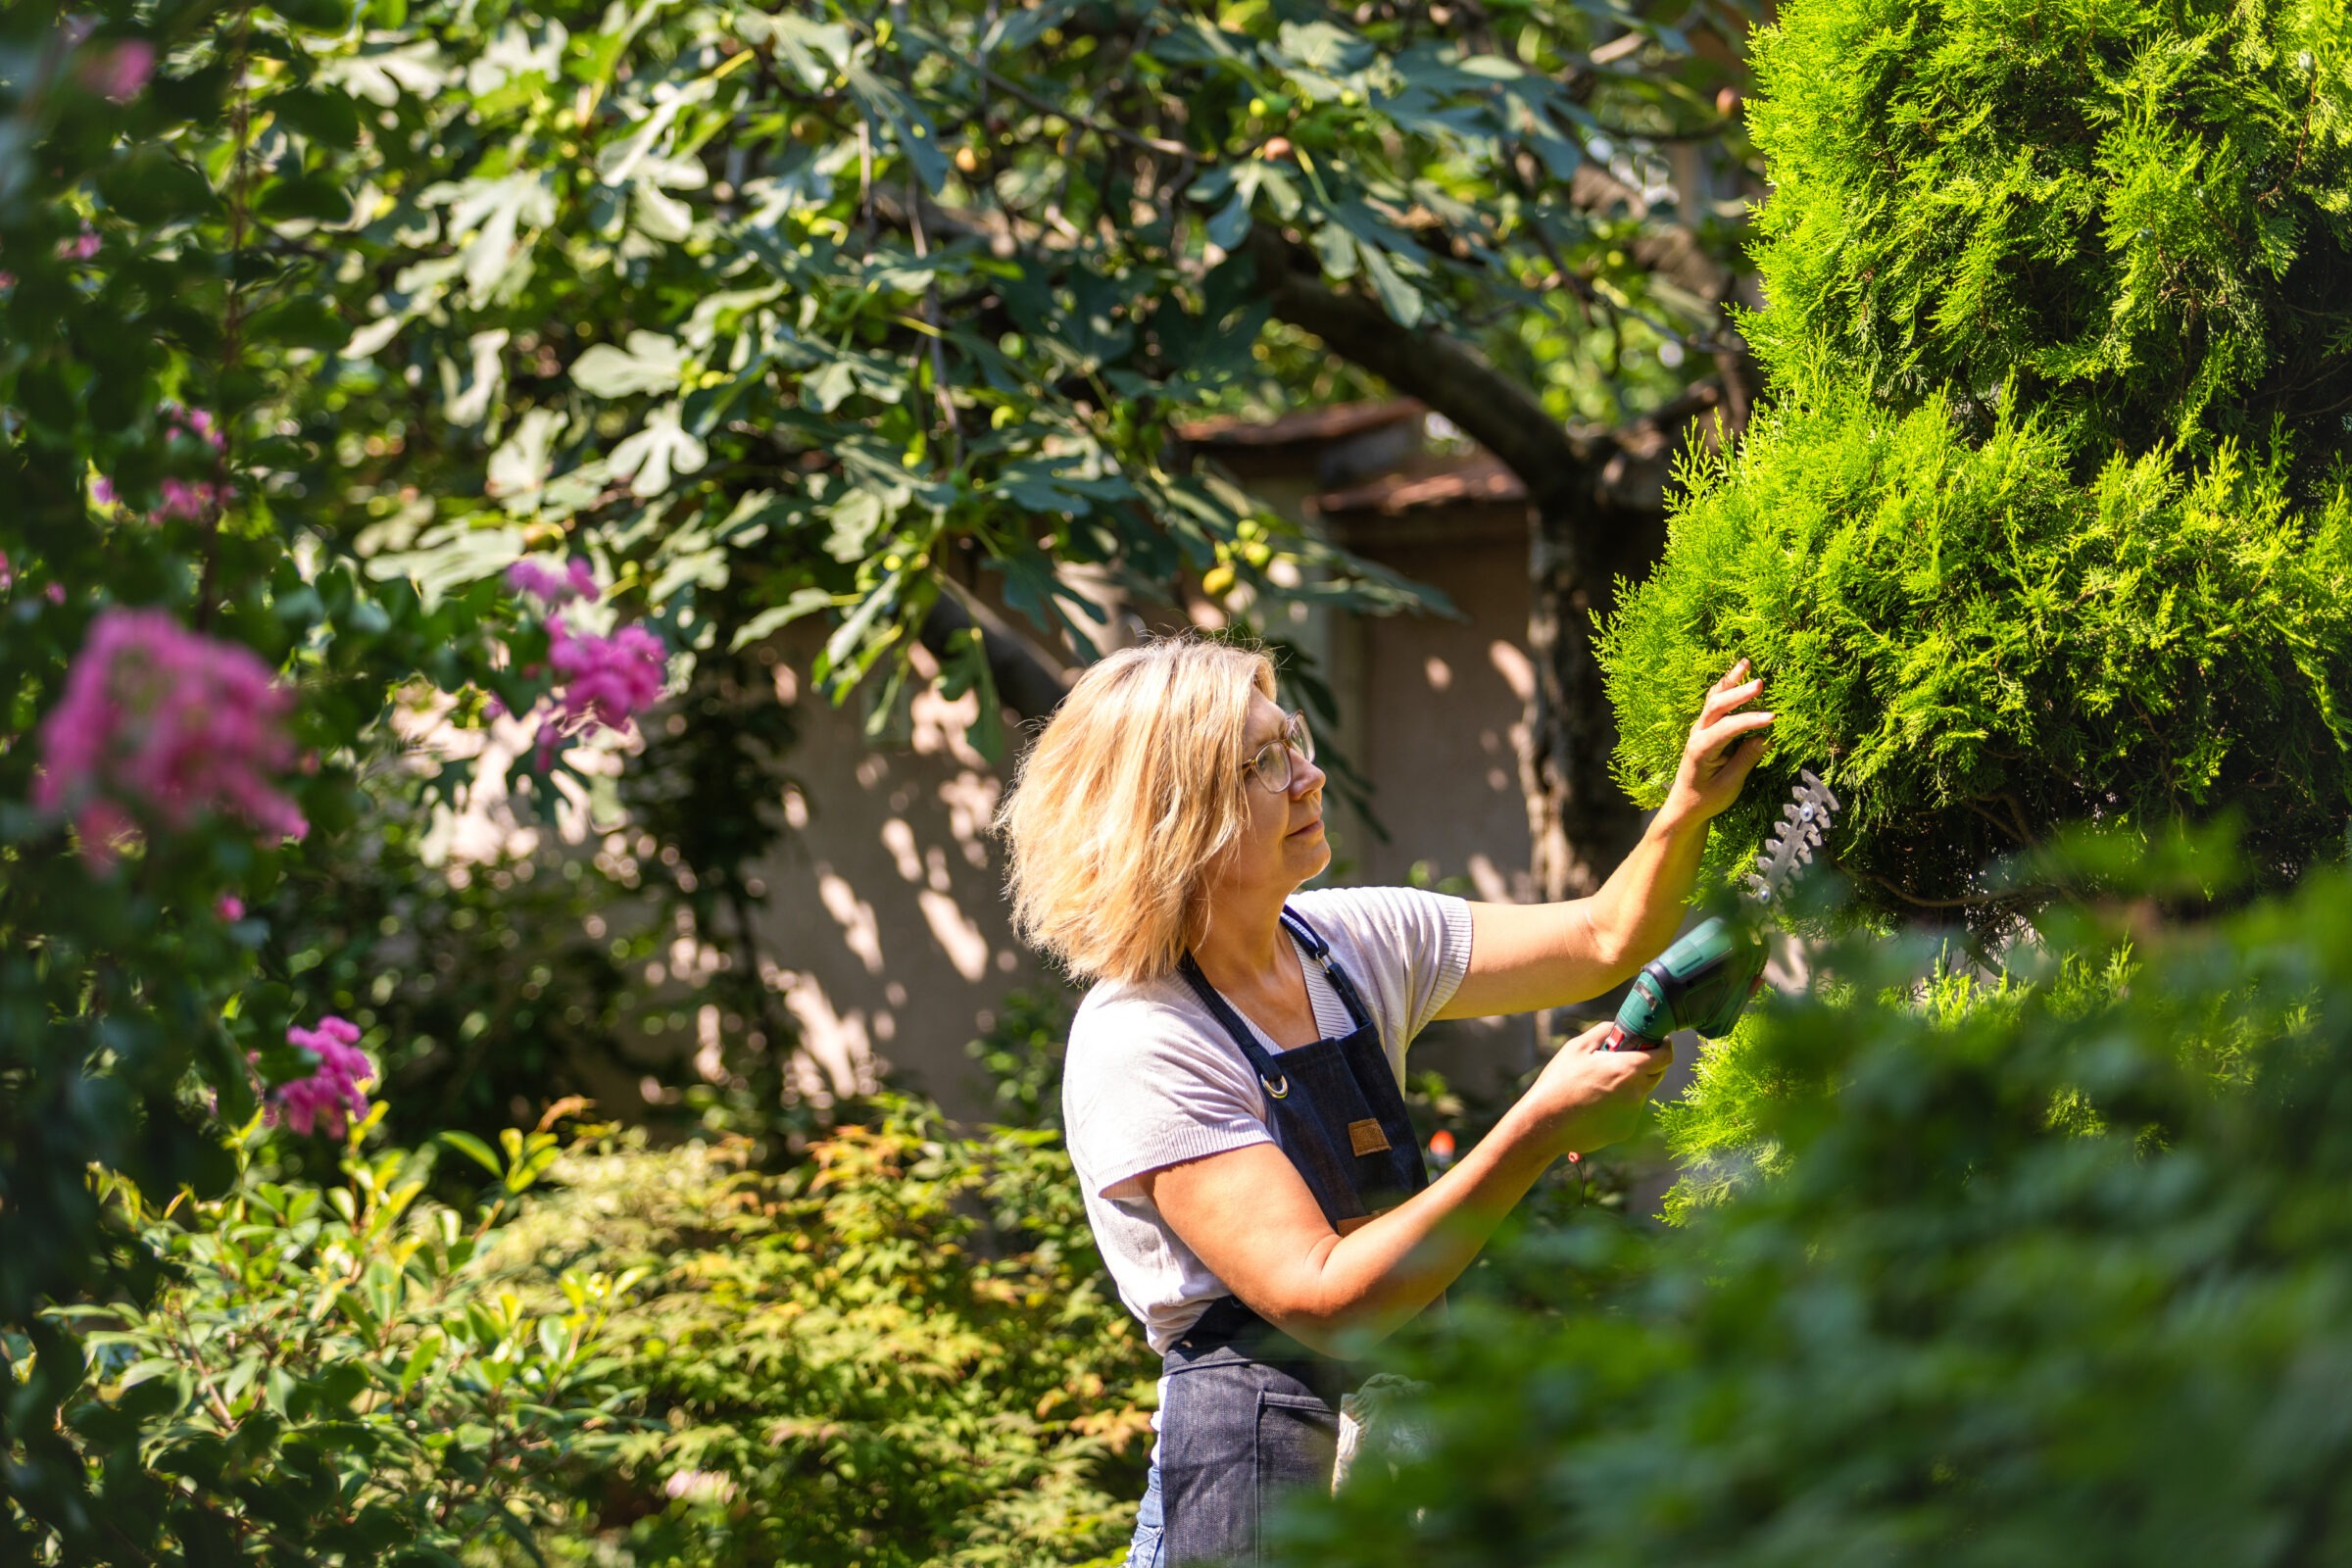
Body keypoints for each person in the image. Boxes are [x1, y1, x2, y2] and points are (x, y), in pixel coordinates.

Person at [995, 634, 1772, 1566]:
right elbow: (1326, 1297)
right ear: (1175, 816)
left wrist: (1687, 807)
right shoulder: (1144, 1038)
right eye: (1265, 763)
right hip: (1247, 1485)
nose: (1310, 777)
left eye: (1295, 739)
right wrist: (1534, 1127)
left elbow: (1604, 936)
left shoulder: (1347, 941)